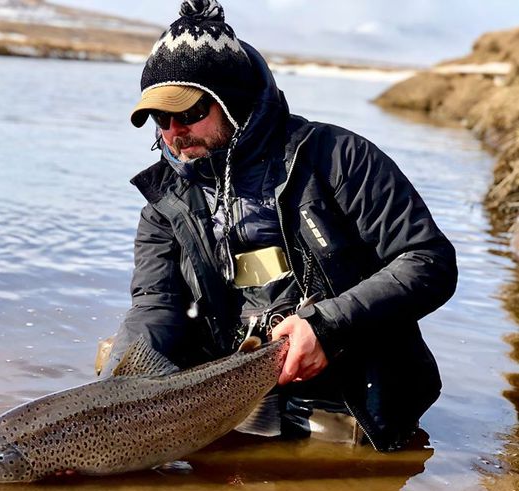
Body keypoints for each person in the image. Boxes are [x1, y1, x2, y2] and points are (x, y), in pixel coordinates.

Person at [107, 0, 457, 452]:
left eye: (191, 113)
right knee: (116, 360)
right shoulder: (164, 201)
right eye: (161, 118)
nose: (175, 132)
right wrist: (118, 390)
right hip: (227, 397)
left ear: (232, 103)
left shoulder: (338, 158)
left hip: (351, 403)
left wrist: (328, 326)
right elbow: (155, 303)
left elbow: (430, 262)